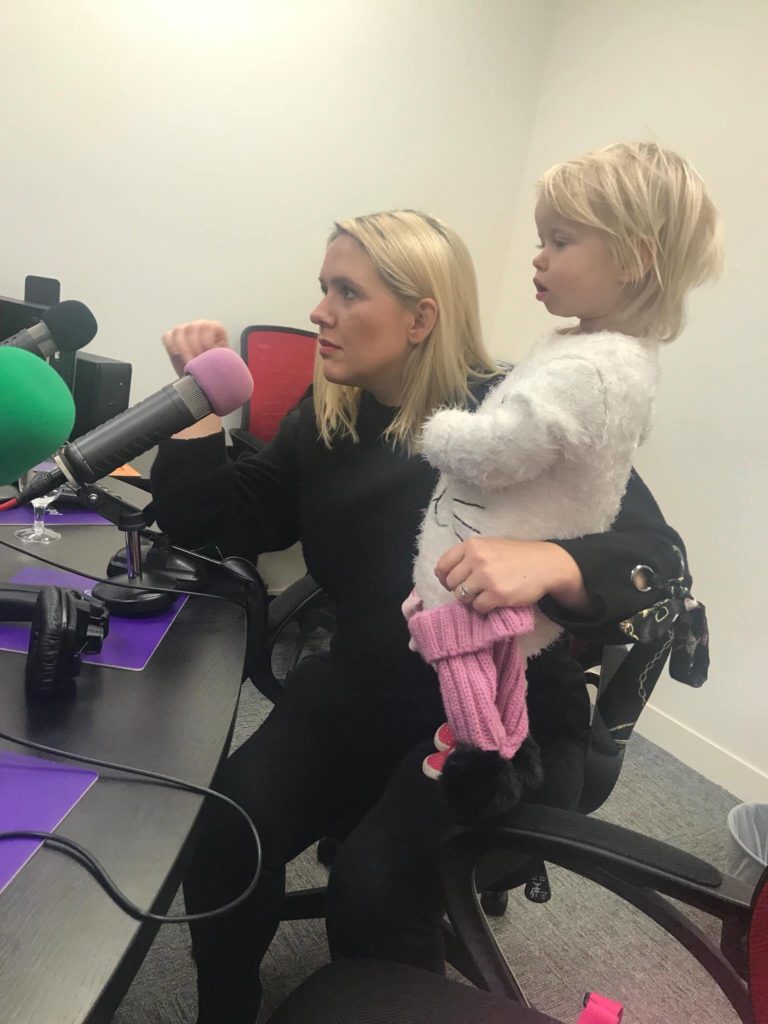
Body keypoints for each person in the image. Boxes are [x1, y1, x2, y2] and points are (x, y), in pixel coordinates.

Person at [150, 209, 693, 1024]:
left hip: (501, 726)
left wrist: (560, 564)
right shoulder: (332, 413)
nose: (319, 311)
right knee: (228, 827)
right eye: (322, 289)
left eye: (346, 291)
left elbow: (663, 564)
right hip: (367, 685)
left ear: (420, 318)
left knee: (372, 889)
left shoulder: (519, 412)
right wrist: (195, 406)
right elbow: (228, 517)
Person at [404, 142, 722, 822]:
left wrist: (439, 434)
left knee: (471, 665)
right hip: (481, 589)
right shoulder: (591, 355)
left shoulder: (590, 370)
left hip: (477, 591)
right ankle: (495, 739)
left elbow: (499, 452)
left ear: (635, 258)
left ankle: (485, 760)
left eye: (561, 240)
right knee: (495, 669)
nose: (538, 256)